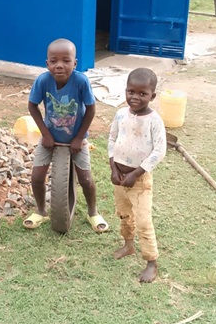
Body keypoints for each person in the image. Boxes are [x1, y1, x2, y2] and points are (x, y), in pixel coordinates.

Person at [23, 38, 108, 233]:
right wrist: (45, 134)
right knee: (37, 176)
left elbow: (91, 109)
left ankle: (92, 212)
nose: (59, 65)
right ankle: (41, 211)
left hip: (76, 138)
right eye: (54, 61)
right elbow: (32, 106)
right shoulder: (42, 81)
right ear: (47, 64)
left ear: (75, 63)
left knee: (85, 178)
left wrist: (79, 138)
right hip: (50, 137)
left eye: (66, 60)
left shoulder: (81, 81)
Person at [108, 67, 166, 283]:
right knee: (124, 213)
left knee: (143, 220)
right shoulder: (121, 114)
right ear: (126, 91)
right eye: (131, 91)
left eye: (143, 94)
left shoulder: (154, 121)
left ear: (153, 96)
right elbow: (112, 139)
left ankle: (151, 262)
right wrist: (113, 168)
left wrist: (136, 173)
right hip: (119, 178)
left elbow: (159, 151)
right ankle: (128, 244)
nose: (135, 97)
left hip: (139, 180)